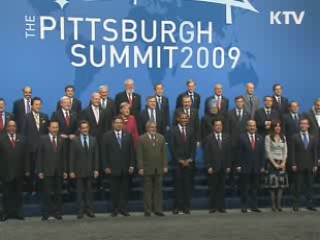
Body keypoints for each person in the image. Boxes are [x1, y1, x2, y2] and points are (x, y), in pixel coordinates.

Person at [102, 117, 135, 217]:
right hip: (112, 168)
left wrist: (132, 165)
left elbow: (132, 152)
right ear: (113, 124)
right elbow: (104, 153)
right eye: (117, 123)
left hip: (125, 168)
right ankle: (115, 209)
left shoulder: (128, 135)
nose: (119, 124)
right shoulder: (107, 136)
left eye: (121, 123)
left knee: (124, 190)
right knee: (114, 190)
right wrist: (106, 166)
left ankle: (124, 209)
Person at [37, 120, 67, 221]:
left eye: (57, 127)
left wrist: (65, 171)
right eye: (53, 127)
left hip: (59, 171)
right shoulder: (42, 139)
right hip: (46, 170)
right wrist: (40, 170)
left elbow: (64, 157)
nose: (55, 129)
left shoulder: (61, 139)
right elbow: (39, 156)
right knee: (46, 193)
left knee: (58, 193)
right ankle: (46, 213)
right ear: (49, 128)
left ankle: (57, 212)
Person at [137, 121, 168, 217]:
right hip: (147, 168)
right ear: (147, 128)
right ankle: (148, 210)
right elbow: (139, 155)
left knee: (158, 191)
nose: (153, 129)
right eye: (151, 127)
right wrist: (140, 167)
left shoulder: (161, 138)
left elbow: (164, 154)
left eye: (155, 127)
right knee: (147, 191)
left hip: (158, 168)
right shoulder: (142, 139)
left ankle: (158, 209)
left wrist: (165, 166)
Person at [69, 120, 99, 219]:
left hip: (90, 170)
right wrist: (72, 170)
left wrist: (96, 169)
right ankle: (80, 211)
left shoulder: (93, 139)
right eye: (83, 128)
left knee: (89, 192)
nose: (85, 129)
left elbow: (96, 156)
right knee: (80, 193)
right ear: (79, 129)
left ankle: (90, 210)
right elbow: (71, 157)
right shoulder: (75, 141)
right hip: (78, 171)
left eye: (86, 128)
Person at [0, 120, 29, 221]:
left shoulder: (22, 139)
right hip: (5, 172)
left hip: (19, 172)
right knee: (6, 195)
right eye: (10, 126)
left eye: (14, 126)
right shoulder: (1, 139)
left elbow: (26, 156)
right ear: (6, 127)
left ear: (16, 127)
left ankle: (19, 213)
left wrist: (27, 169)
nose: (12, 128)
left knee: (18, 195)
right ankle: (5, 214)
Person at [170, 112, 196, 215]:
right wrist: (179, 160)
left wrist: (190, 159)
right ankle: (177, 207)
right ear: (178, 119)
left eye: (186, 118)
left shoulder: (191, 130)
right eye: (182, 118)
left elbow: (193, 147)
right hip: (177, 164)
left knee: (187, 187)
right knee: (178, 186)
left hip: (189, 164)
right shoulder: (173, 131)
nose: (184, 120)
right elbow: (172, 147)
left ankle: (186, 207)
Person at [237, 120, 265, 213]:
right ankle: (244, 206)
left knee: (255, 188)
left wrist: (262, 166)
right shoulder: (242, 138)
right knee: (245, 188)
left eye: (253, 126)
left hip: (256, 167)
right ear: (247, 127)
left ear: (256, 127)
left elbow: (262, 153)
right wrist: (239, 165)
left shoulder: (260, 138)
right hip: (245, 167)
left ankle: (254, 206)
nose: (252, 127)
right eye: (250, 126)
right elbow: (239, 153)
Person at [22, 97, 49, 194]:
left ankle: (40, 189)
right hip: (31, 149)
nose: (39, 106)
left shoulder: (45, 116)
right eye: (36, 104)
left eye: (40, 104)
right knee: (32, 170)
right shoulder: (26, 117)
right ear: (32, 105)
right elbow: (23, 133)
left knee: (42, 170)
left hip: (42, 149)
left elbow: (47, 132)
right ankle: (30, 190)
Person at [290, 118, 318, 211]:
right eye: (302, 123)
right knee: (297, 186)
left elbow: (315, 152)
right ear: (299, 125)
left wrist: (315, 164)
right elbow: (292, 152)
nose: (303, 125)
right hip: (298, 165)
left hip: (310, 165)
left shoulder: (312, 137)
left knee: (309, 186)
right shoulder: (295, 136)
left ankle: (310, 204)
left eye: (305, 124)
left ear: (308, 125)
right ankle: (296, 204)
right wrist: (293, 163)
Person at [204, 119, 231, 213]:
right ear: (213, 127)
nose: (218, 127)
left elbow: (228, 153)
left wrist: (228, 166)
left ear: (222, 126)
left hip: (223, 166)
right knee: (213, 188)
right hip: (213, 167)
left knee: (222, 188)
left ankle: (222, 207)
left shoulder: (227, 137)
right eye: (216, 125)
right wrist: (209, 166)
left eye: (220, 125)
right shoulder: (209, 138)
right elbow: (207, 154)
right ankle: (213, 207)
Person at [264, 120, 289, 212]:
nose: (278, 128)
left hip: (282, 163)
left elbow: (285, 151)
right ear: (273, 127)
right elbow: (268, 152)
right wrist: (275, 164)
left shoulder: (283, 137)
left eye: (279, 126)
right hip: (272, 163)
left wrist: (283, 162)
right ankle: (273, 205)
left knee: (280, 186)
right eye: (276, 126)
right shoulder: (268, 137)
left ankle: (279, 205)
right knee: (273, 186)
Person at [228, 96, 250, 191]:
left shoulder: (247, 114)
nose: (239, 103)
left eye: (241, 102)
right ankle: (232, 184)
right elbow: (227, 129)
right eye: (237, 102)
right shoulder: (230, 113)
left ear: (243, 103)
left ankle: (242, 185)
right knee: (233, 165)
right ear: (235, 103)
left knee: (243, 165)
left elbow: (249, 129)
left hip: (244, 144)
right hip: (232, 144)